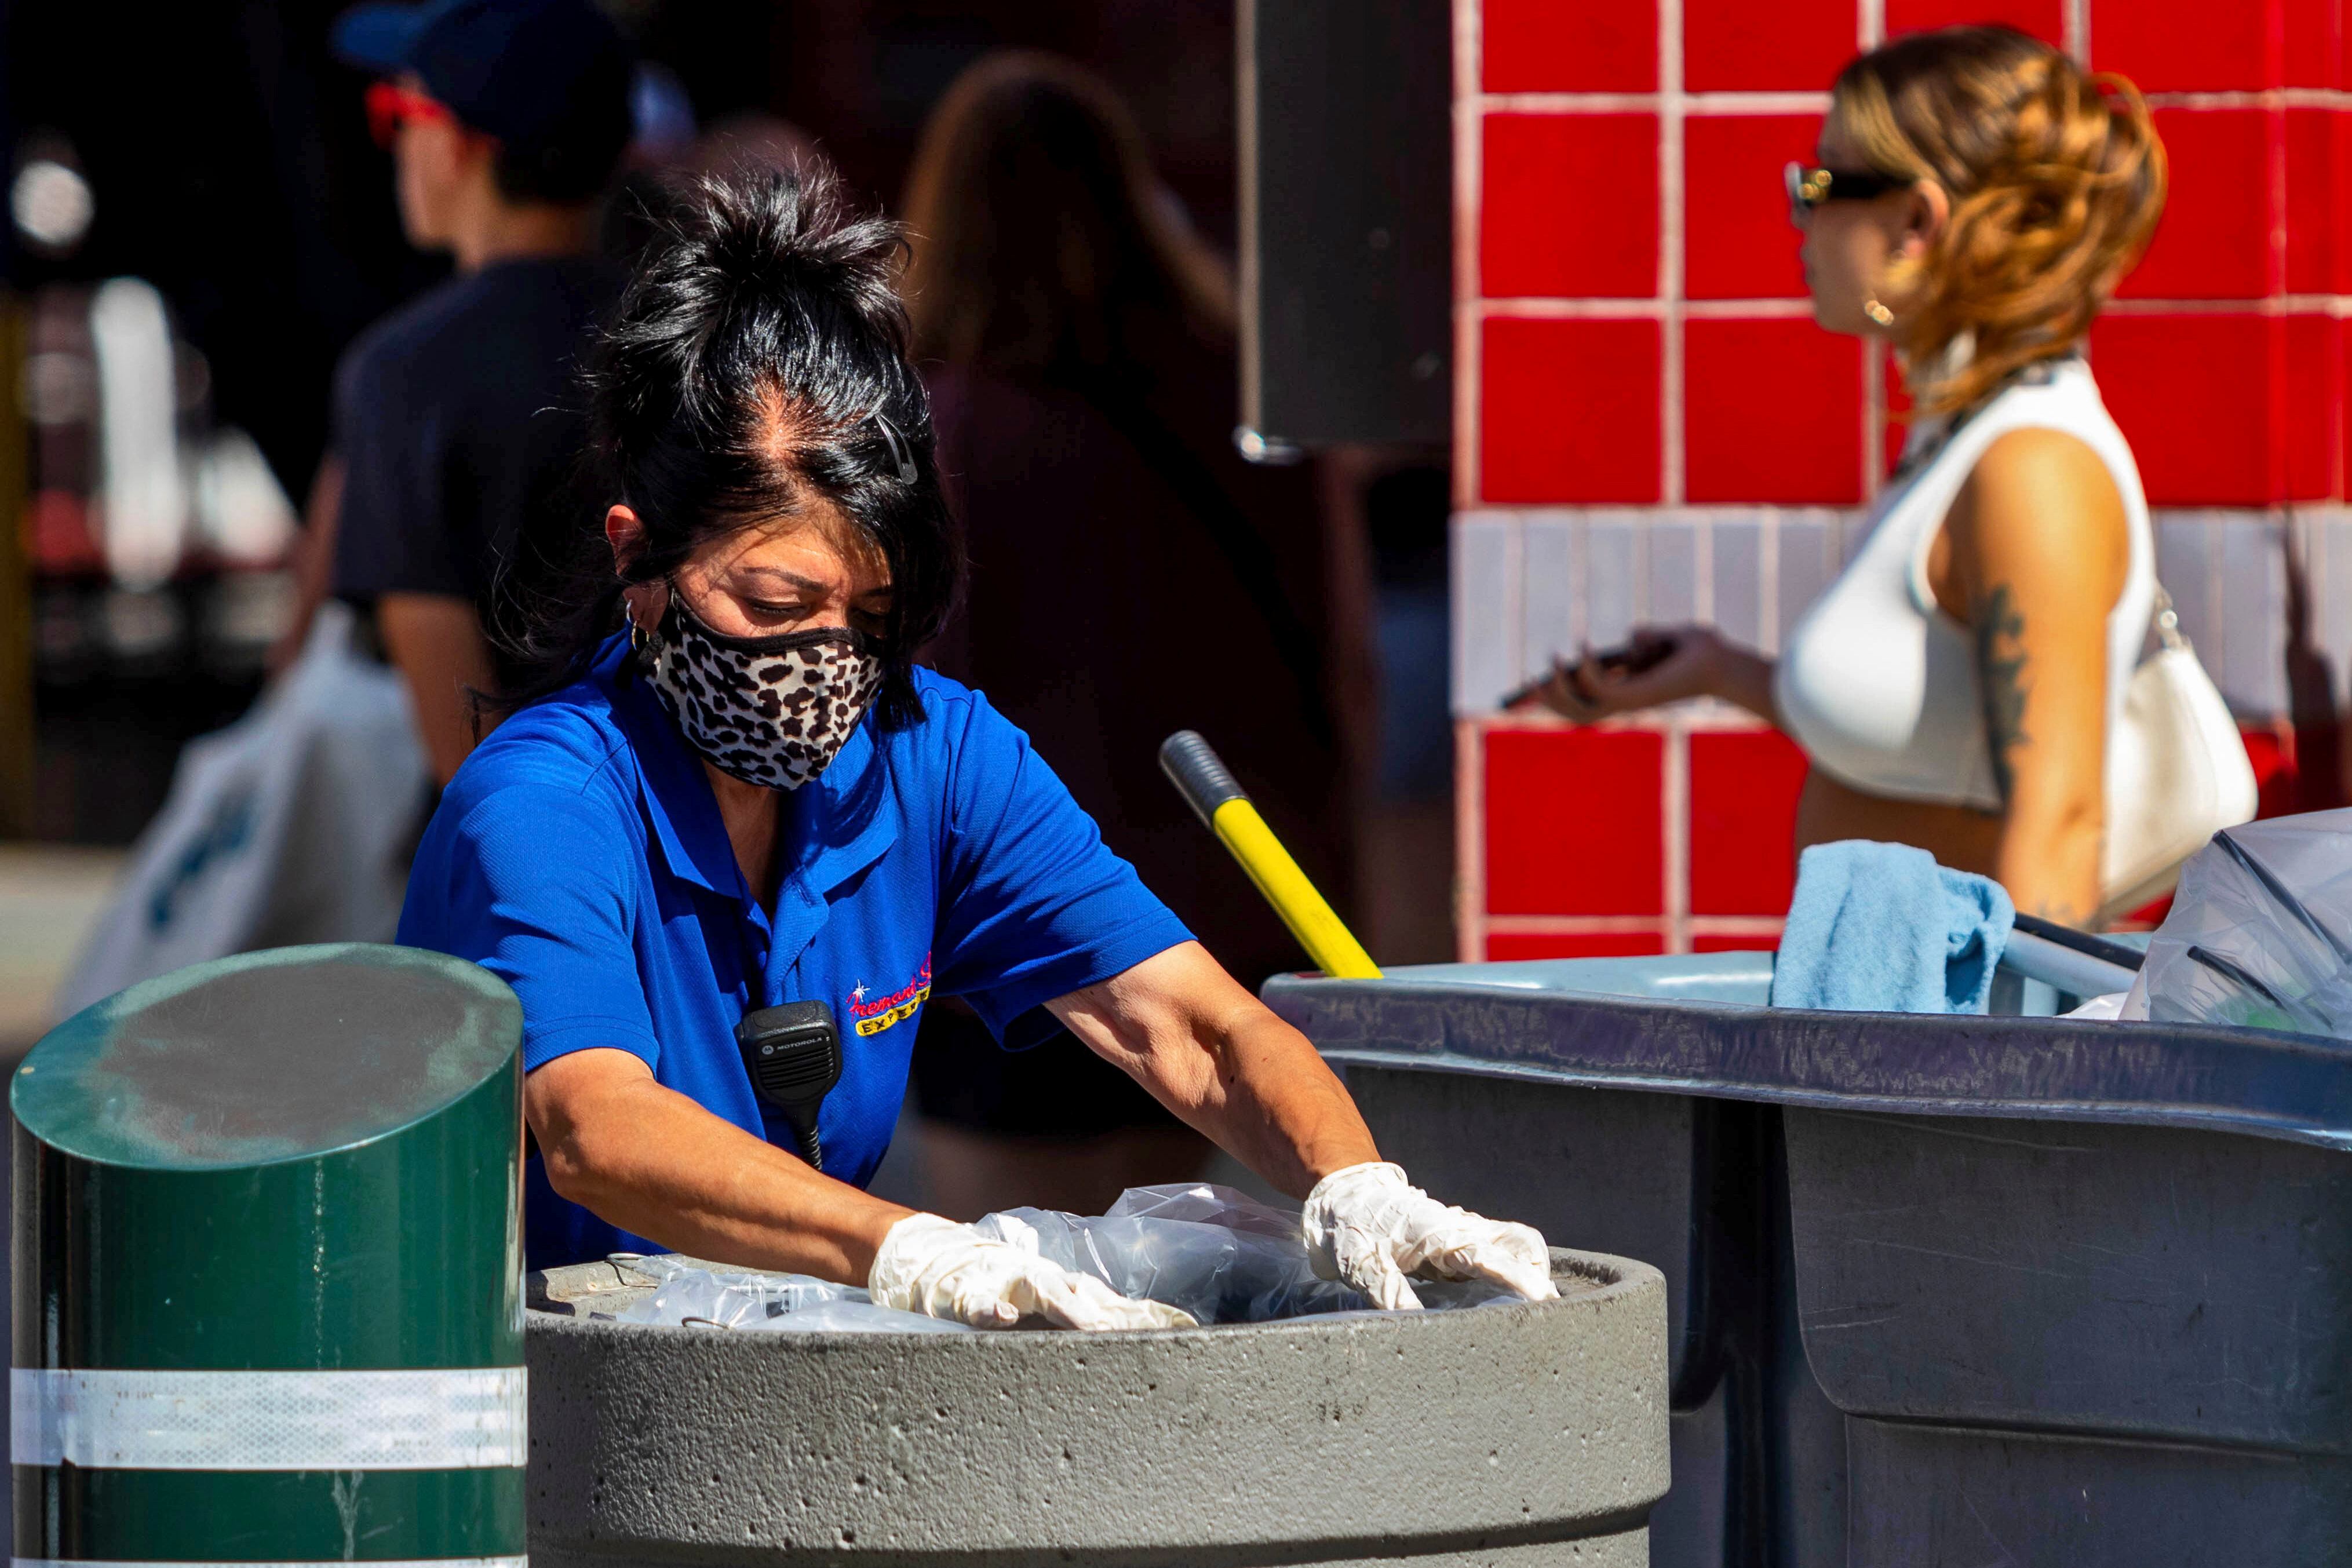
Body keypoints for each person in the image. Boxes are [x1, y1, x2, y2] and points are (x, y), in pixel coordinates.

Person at [397, 163, 1555, 1330]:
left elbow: (1194, 1029)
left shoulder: (933, 756)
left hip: (761, 1395)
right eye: (775, 600)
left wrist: (1352, 1185)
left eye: (873, 612)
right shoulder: (543, 803)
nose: (827, 658)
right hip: (525, 1413)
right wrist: (912, 1252)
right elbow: (597, 1131)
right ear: (637, 562)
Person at [1526, 27, 2165, 927]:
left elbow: (2059, 822)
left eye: (1822, 182)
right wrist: (1719, 669)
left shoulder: (2033, 467)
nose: (1799, 214)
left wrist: (2002, 1064)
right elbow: (1927, 739)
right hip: (1898, 1028)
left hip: (1958, 1047)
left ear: (1917, 222)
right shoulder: (1965, 439)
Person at [896, 53, 1350, 1217]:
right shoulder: (1244, 413)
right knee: (1194, 1290)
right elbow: (1344, 661)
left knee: (1010, 1309)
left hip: (1005, 940)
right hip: (1228, 919)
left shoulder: (930, 433)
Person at [323, 0, 633, 785]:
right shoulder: (708, 339)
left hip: (536, 866)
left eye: (398, 112)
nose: (394, 146)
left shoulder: (404, 375)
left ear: (460, 144)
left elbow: (461, 734)